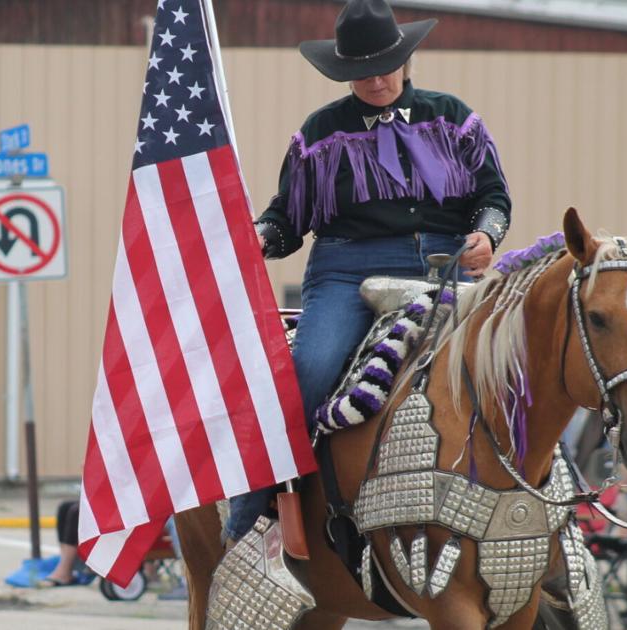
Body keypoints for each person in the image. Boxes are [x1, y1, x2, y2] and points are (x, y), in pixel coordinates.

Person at [228, 0, 510, 542]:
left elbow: (492, 195)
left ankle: (547, 503)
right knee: (310, 366)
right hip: (346, 269)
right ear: (345, 72)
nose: (376, 80)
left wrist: (486, 235)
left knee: (512, 364)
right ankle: (255, 504)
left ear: (406, 60)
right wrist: (258, 236)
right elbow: (288, 218)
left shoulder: (452, 117)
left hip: (444, 263)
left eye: (384, 67)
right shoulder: (320, 132)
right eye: (362, 71)